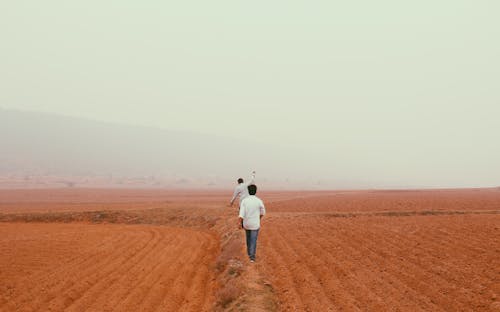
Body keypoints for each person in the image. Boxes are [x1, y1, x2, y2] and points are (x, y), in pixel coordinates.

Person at [238, 184, 265, 262]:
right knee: (253, 240)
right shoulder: (259, 201)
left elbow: (241, 213)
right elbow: (263, 212)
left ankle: (249, 253)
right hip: (255, 224)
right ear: (256, 191)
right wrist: (258, 218)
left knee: (248, 239)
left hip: (246, 223)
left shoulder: (244, 201)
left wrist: (239, 223)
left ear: (248, 191)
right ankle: (252, 257)